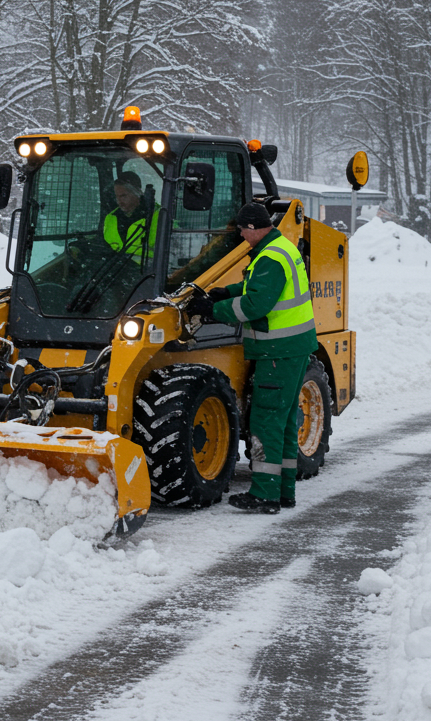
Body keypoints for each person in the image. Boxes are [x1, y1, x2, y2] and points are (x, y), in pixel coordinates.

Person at [188, 201, 316, 514]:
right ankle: (283, 492)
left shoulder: (270, 257)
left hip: (277, 350)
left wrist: (212, 310)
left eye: (243, 231)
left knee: (266, 420)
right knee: (284, 421)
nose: (242, 236)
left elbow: (255, 305)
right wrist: (227, 291)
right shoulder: (279, 248)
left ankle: (264, 495)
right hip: (292, 348)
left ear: (254, 227)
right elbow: (256, 286)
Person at [102, 171, 158, 262]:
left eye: (123, 196)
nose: (119, 201)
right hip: (115, 268)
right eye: (117, 196)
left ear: (137, 193)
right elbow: (104, 245)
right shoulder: (111, 217)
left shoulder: (158, 216)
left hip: (146, 269)